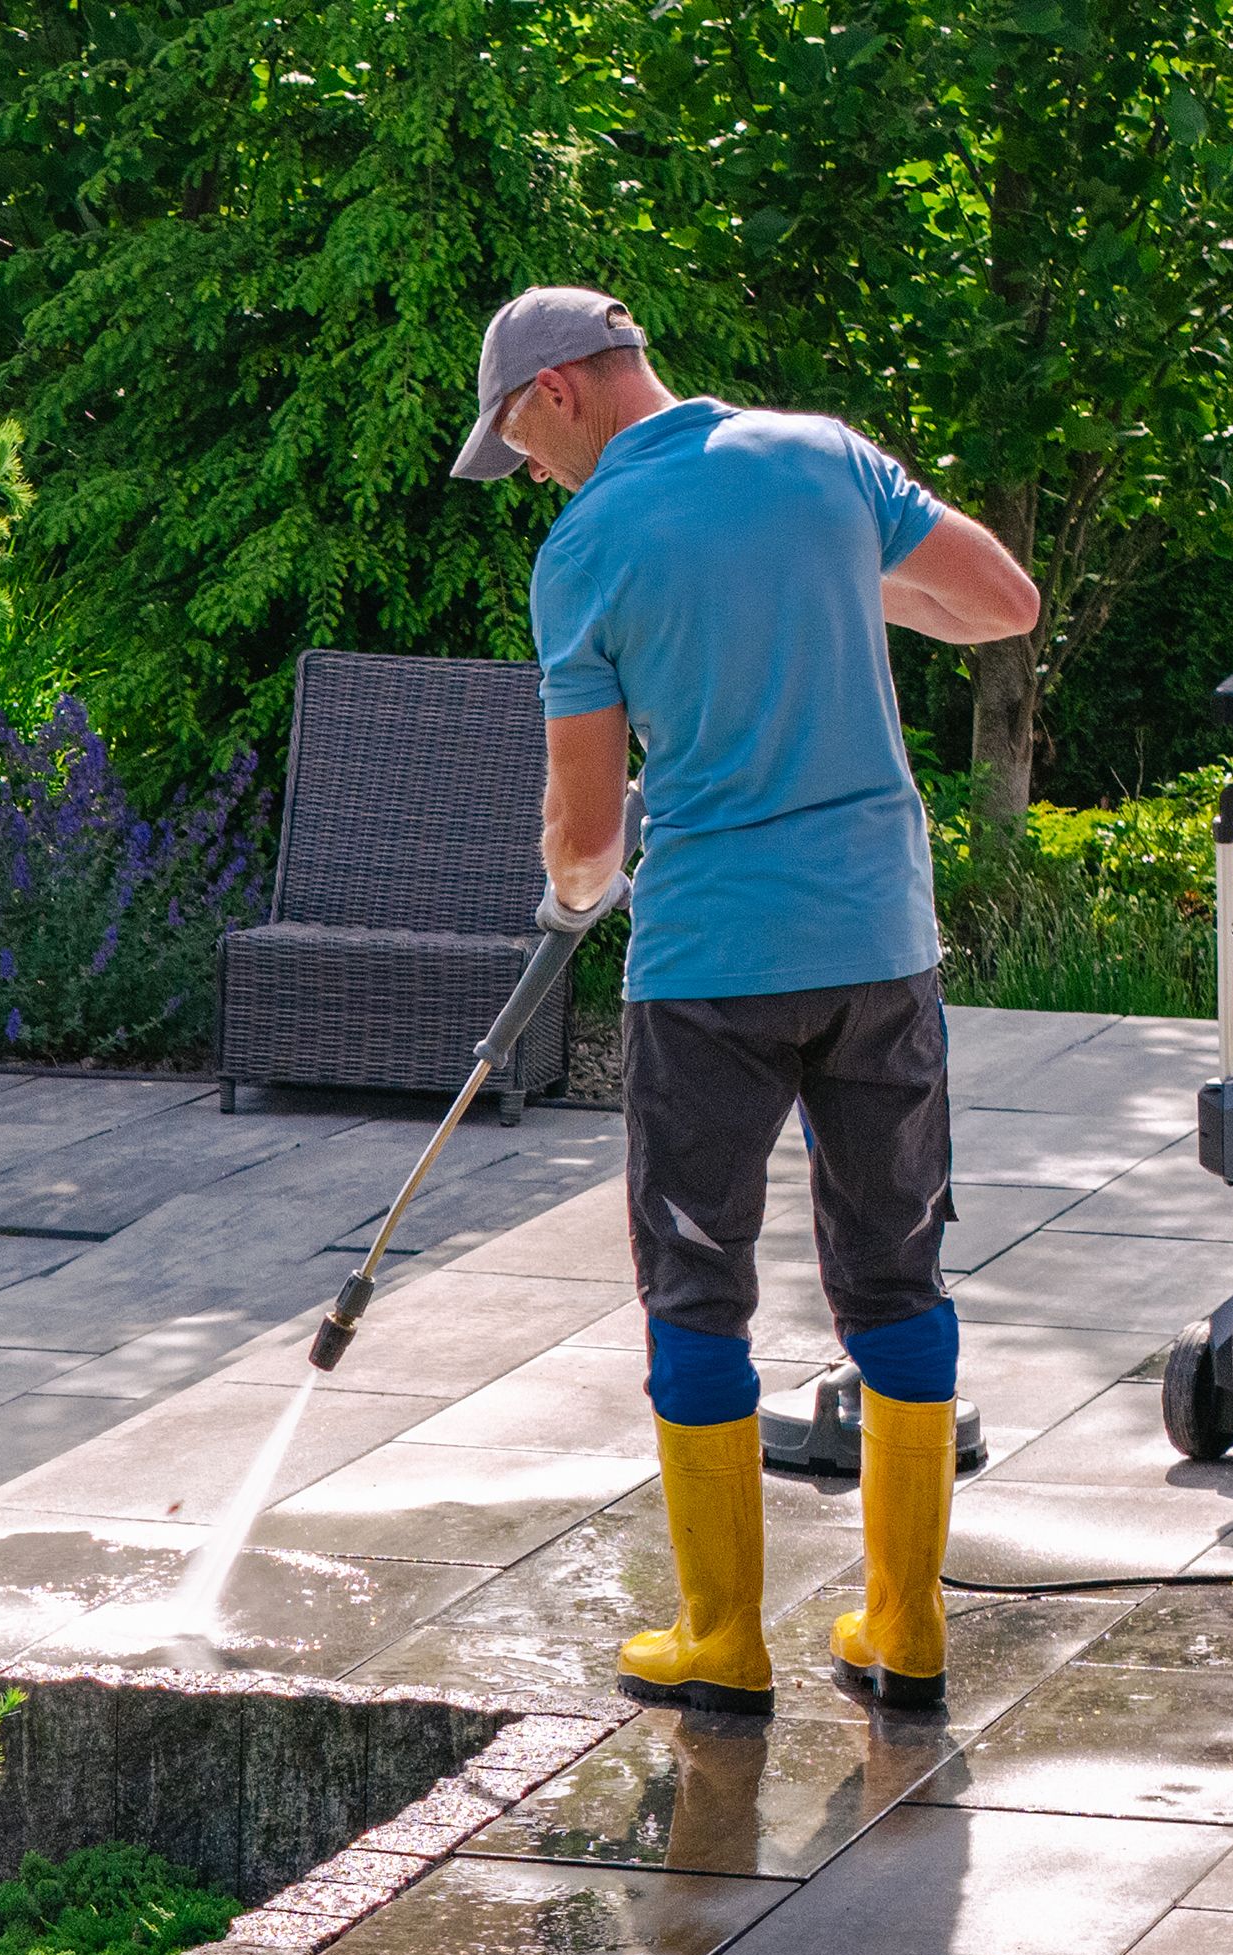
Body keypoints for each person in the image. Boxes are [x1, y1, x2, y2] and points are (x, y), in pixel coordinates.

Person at [453, 287, 1042, 1722]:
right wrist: (845, 584)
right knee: (897, 1275)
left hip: (713, 968)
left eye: (517, 437)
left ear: (565, 391)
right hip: (879, 948)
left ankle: (723, 1643)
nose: (524, 468)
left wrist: (570, 893)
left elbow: (586, 839)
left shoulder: (586, 548)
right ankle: (907, 1632)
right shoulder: (826, 458)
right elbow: (1001, 605)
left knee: (697, 1287)